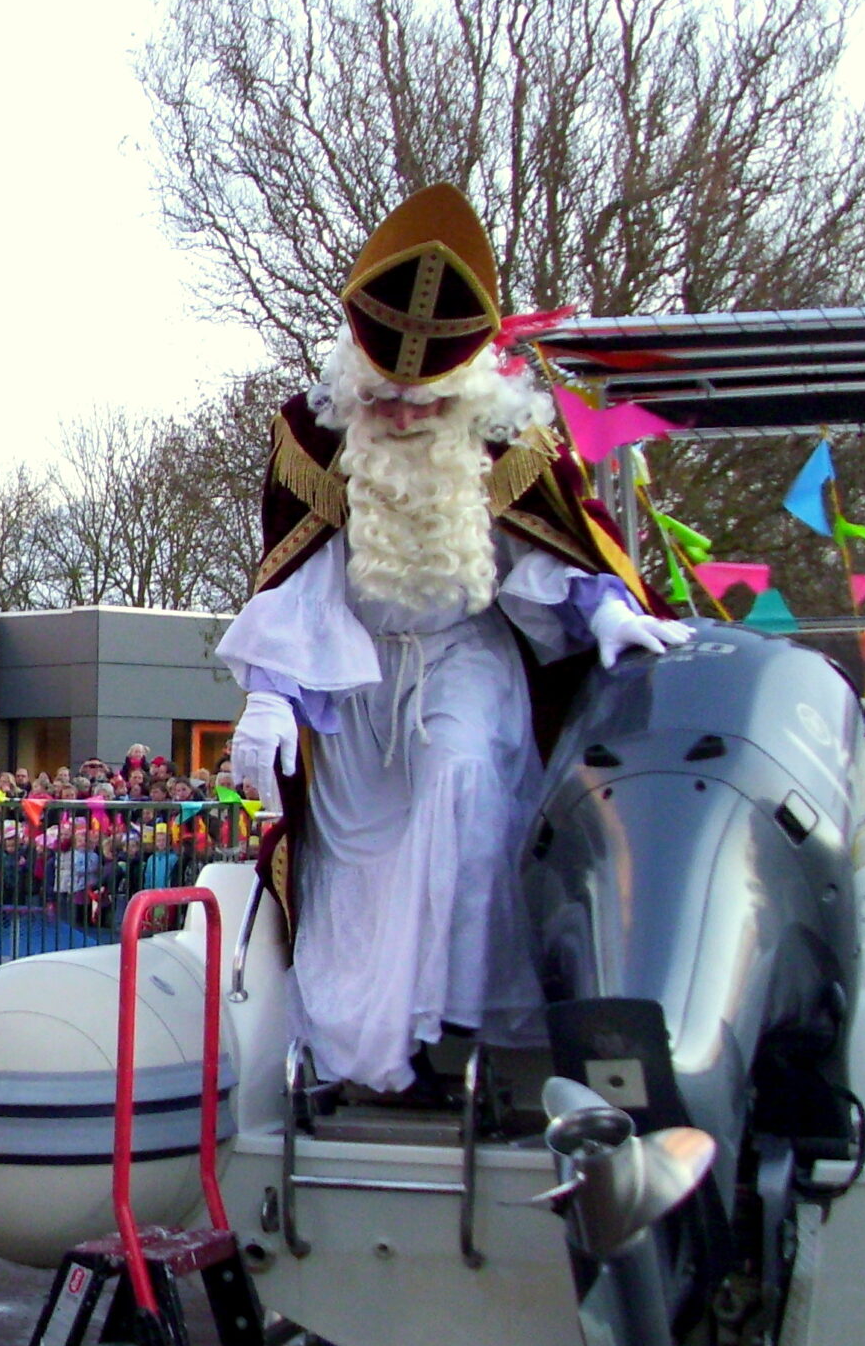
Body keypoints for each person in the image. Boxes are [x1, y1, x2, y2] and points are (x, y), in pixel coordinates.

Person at [219, 183, 685, 1094]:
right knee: (355, 860)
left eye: (422, 403)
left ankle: (461, 1030)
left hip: (466, 656)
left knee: (460, 779)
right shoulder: (314, 438)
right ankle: (361, 1053)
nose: (401, 420)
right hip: (352, 669)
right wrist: (270, 697)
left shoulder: (508, 442)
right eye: (386, 399)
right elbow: (298, 580)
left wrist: (607, 609)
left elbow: (551, 556)